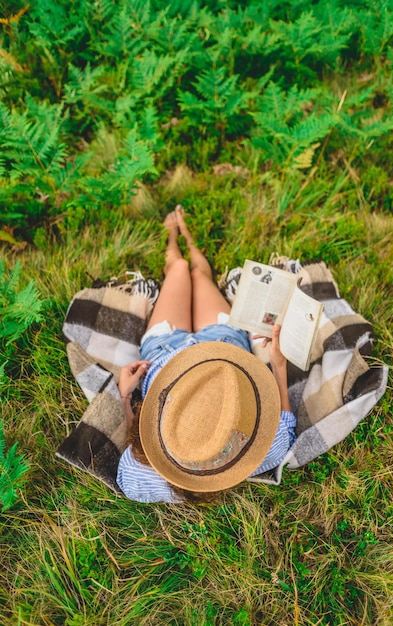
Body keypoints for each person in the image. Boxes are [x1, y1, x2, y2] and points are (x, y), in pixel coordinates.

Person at [116, 206, 296, 503]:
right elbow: (286, 424)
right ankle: (188, 237)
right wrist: (278, 365)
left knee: (178, 270)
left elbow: (129, 458)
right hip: (223, 344)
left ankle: (173, 237)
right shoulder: (268, 450)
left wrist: (124, 397)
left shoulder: (138, 479)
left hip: (164, 352)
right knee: (199, 274)